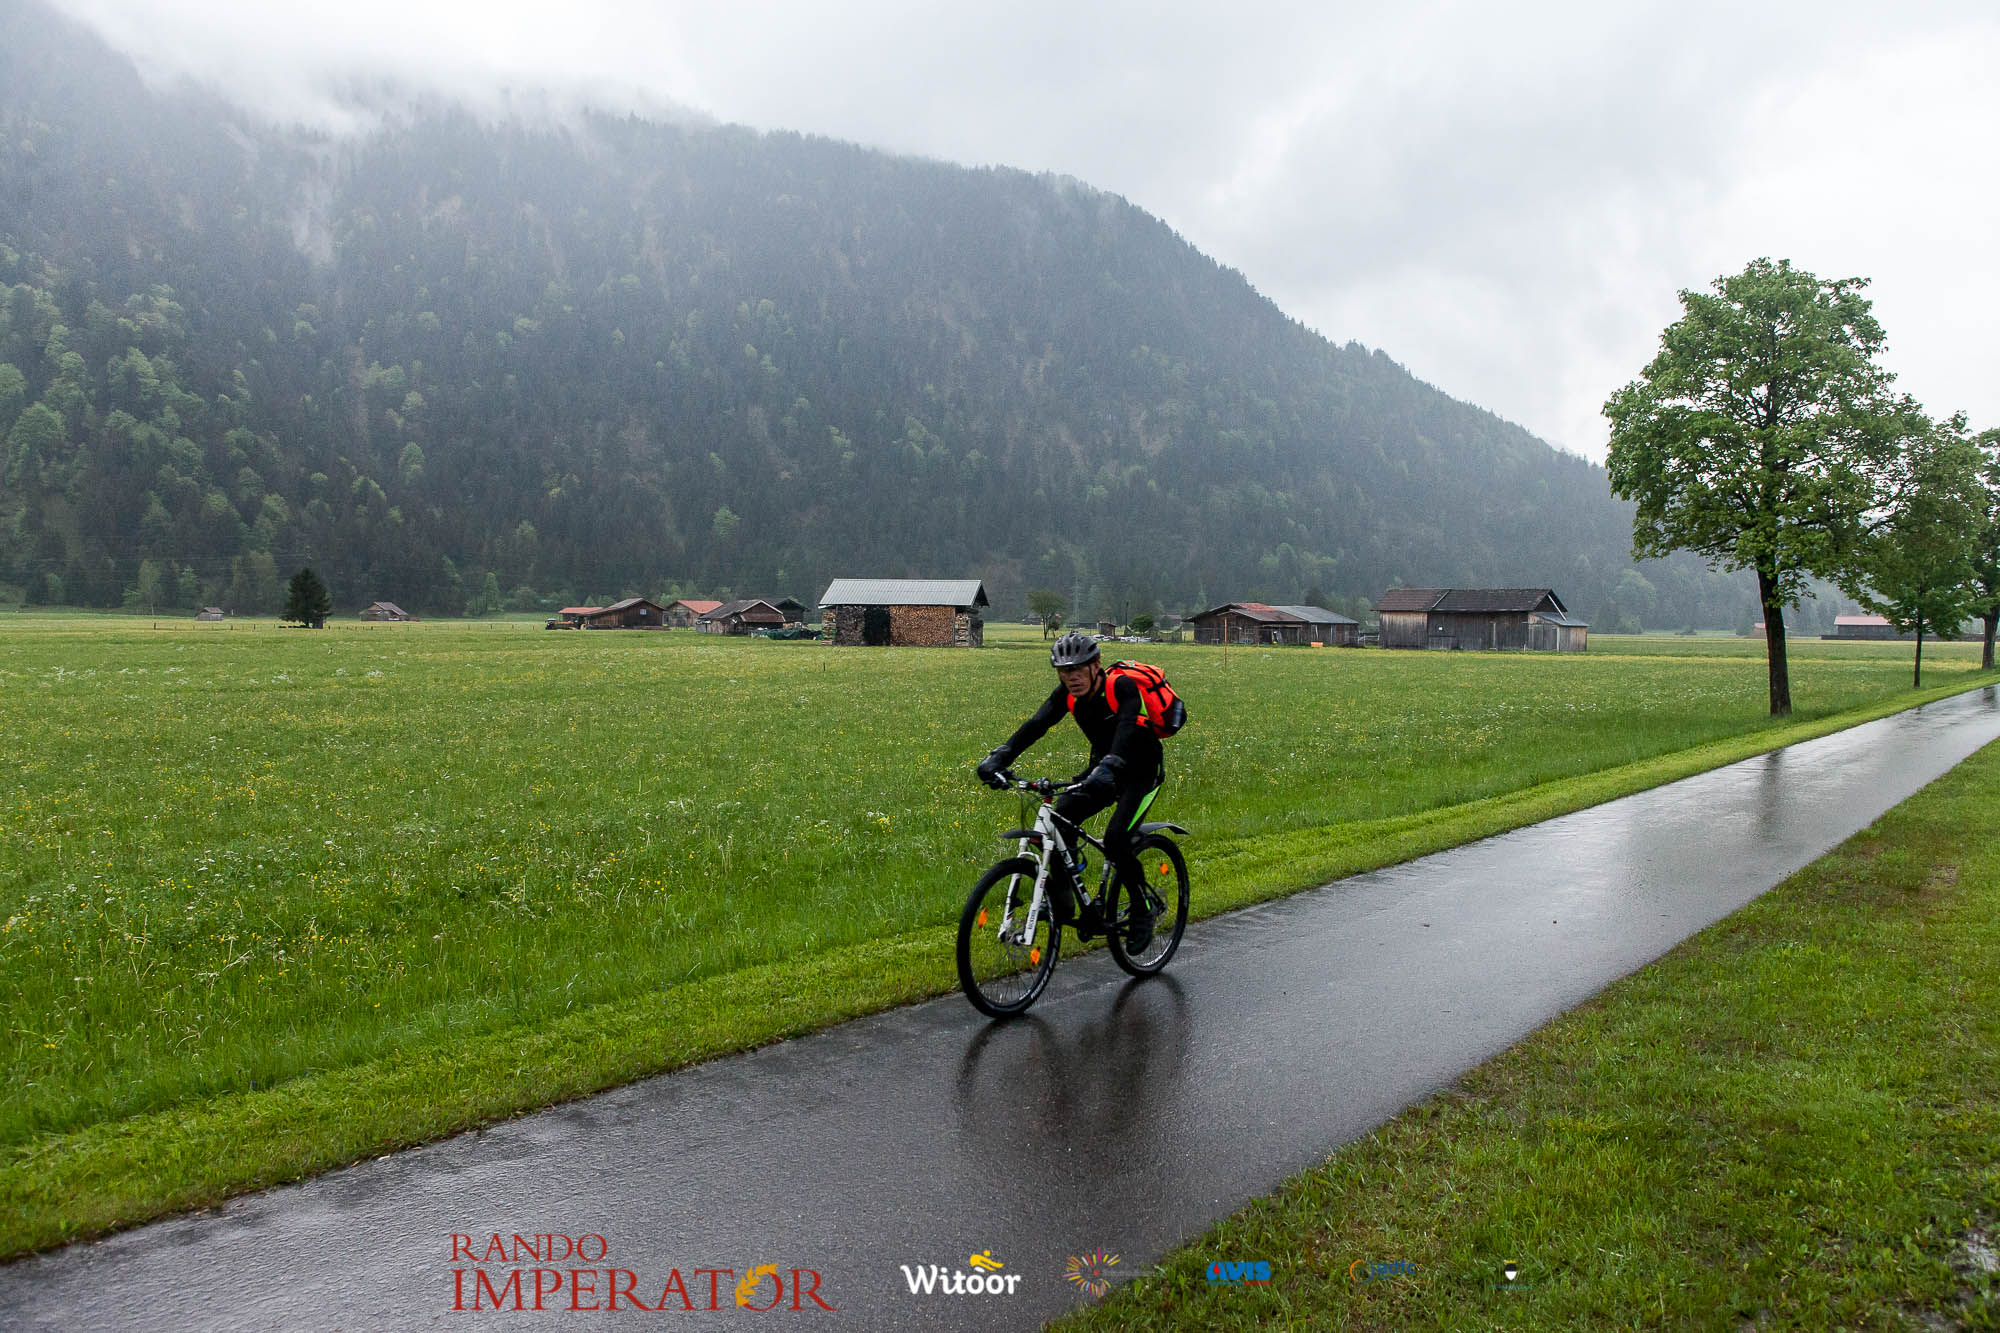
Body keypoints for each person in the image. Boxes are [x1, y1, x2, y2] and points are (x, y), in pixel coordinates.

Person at [975, 632, 1164, 947]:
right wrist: (1000, 756)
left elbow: (1127, 727)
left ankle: (1143, 910)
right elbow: (1036, 725)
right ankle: (1068, 901)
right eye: (1064, 671)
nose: (1071, 677)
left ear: (1096, 665)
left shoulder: (1121, 687)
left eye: (1077, 668)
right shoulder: (1067, 694)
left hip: (1141, 772)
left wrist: (1111, 763)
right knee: (1058, 821)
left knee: (1116, 839)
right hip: (1101, 770)